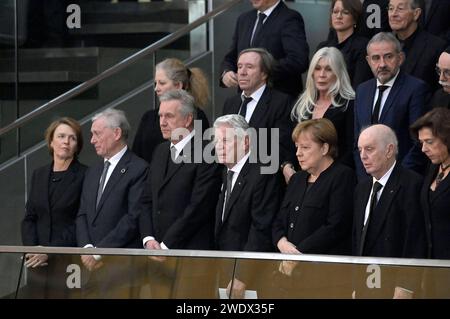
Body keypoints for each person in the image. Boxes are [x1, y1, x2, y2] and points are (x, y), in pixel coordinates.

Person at [272, 118, 356, 297]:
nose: (298, 154)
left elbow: (336, 225)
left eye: (305, 147)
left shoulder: (343, 176)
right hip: (289, 276)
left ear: (325, 148)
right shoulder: (297, 179)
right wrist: (281, 242)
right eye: (296, 147)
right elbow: (280, 218)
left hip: (323, 278)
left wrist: (299, 253)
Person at [76, 108, 149, 298]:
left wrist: (99, 252)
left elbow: (133, 218)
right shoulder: (92, 171)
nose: (92, 140)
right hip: (90, 266)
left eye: (97, 134)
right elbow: (82, 214)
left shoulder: (139, 168)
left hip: (122, 267)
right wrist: (87, 249)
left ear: (116, 133)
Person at [353, 124, 426, 298]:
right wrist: (355, 284)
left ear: (389, 150)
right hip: (366, 283)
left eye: (369, 149)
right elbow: (357, 238)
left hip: (394, 286)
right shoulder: (361, 188)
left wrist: (405, 286)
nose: (363, 156)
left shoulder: (412, 184)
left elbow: (414, 241)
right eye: (360, 150)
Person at [214, 114, 282, 298]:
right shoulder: (224, 173)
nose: (218, 146)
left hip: (250, 276)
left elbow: (261, 228)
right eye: (216, 140)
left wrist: (242, 276)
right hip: (225, 269)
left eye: (225, 140)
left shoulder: (262, 173)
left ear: (245, 142)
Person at [21, 117, 86, 298]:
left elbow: (80, 221)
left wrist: (49, 251)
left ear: (77, 145)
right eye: (61, 136)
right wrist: (32, 250)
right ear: (51, 141)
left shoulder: (85, 175)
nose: (66, 141)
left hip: (66, 260)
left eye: (72, 138)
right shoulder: (39, 174)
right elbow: (30, 217)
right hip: (37, 263)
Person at [354, 32, 430, 179]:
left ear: (400, 58)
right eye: (376, 58)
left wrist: (395, 179)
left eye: (388, 57)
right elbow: (357, 141)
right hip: (367, 181)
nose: (382, 64)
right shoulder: (362, 90)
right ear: (368, 61)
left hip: (402, 180)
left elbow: (418, 142)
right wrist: (365, 178)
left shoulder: (416, 89)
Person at [283, 47, 355, 183]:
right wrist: (286, 166)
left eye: (328, 69)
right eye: (317, 68)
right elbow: (289, 143)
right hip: (302, 180)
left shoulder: (349, 105)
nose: (322, 74)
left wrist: (329, 176)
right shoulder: (300, 106)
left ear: (338, 73)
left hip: (336, 180)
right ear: (311, 73)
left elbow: (352, 148)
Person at [222, 48, 296, 170]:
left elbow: (281, 148)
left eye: (249, 67)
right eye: (239, 67)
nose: (242, 72)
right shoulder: (230, 103)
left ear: (264, 73)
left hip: (263, 177)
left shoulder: (281, 102)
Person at [220, 0, 309, 98]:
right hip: (245, 99)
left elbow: (298, 60)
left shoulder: (290, 18)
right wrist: (226, 72)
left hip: (277, 99)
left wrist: (263, 70)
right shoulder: (244, 19)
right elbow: (231, 57)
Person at [132, 58, 210, 164]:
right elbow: (136, 155)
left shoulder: (197, 116)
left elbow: (198, 156)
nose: (156, 88)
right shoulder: (148, 117)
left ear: (178, 85)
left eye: (162, 83)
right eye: (156, 83)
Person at [410, 107, 450, 297]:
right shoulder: (433, 169)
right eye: (421, 143)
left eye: (430, 142)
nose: (424, 149)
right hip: (432, 270)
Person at [388, 0, 447, 90]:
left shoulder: (435, 47)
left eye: (400, 9)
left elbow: (441, 90)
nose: (393, 14)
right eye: (391, 8)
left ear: (416, 14)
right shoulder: (382, 45)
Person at [317, 0, 373, 88]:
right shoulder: (323, 47)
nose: (339, 16)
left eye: (345, 12)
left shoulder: (363, 47)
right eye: (335, 12)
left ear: (355, 18)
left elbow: (360, 86)